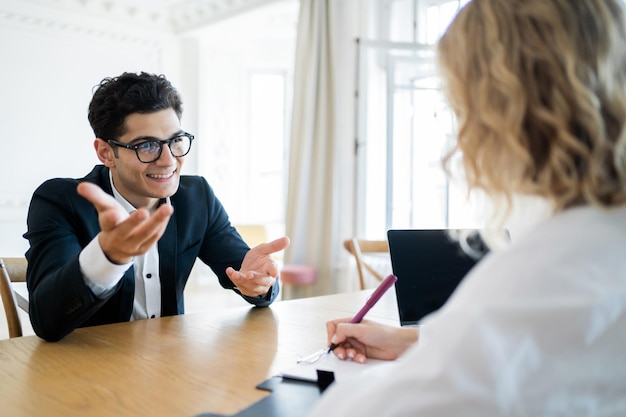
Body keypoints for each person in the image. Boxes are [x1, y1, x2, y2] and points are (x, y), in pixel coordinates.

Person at [309, 0, 626, 415]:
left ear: (506, 108)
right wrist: (412, 342)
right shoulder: (601, 241)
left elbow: (408, 404)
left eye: (460, 106)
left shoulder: (552, 268)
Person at [24, 72, 289, 342]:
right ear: (106, 153)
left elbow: (247, 272)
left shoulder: (197, 198)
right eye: (147, 145)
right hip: (87, 369)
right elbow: (47, 322)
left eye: (175, 141)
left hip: (169, 363)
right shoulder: (59, 200)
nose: (168, 160)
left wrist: (260, 284)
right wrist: (107, 257)